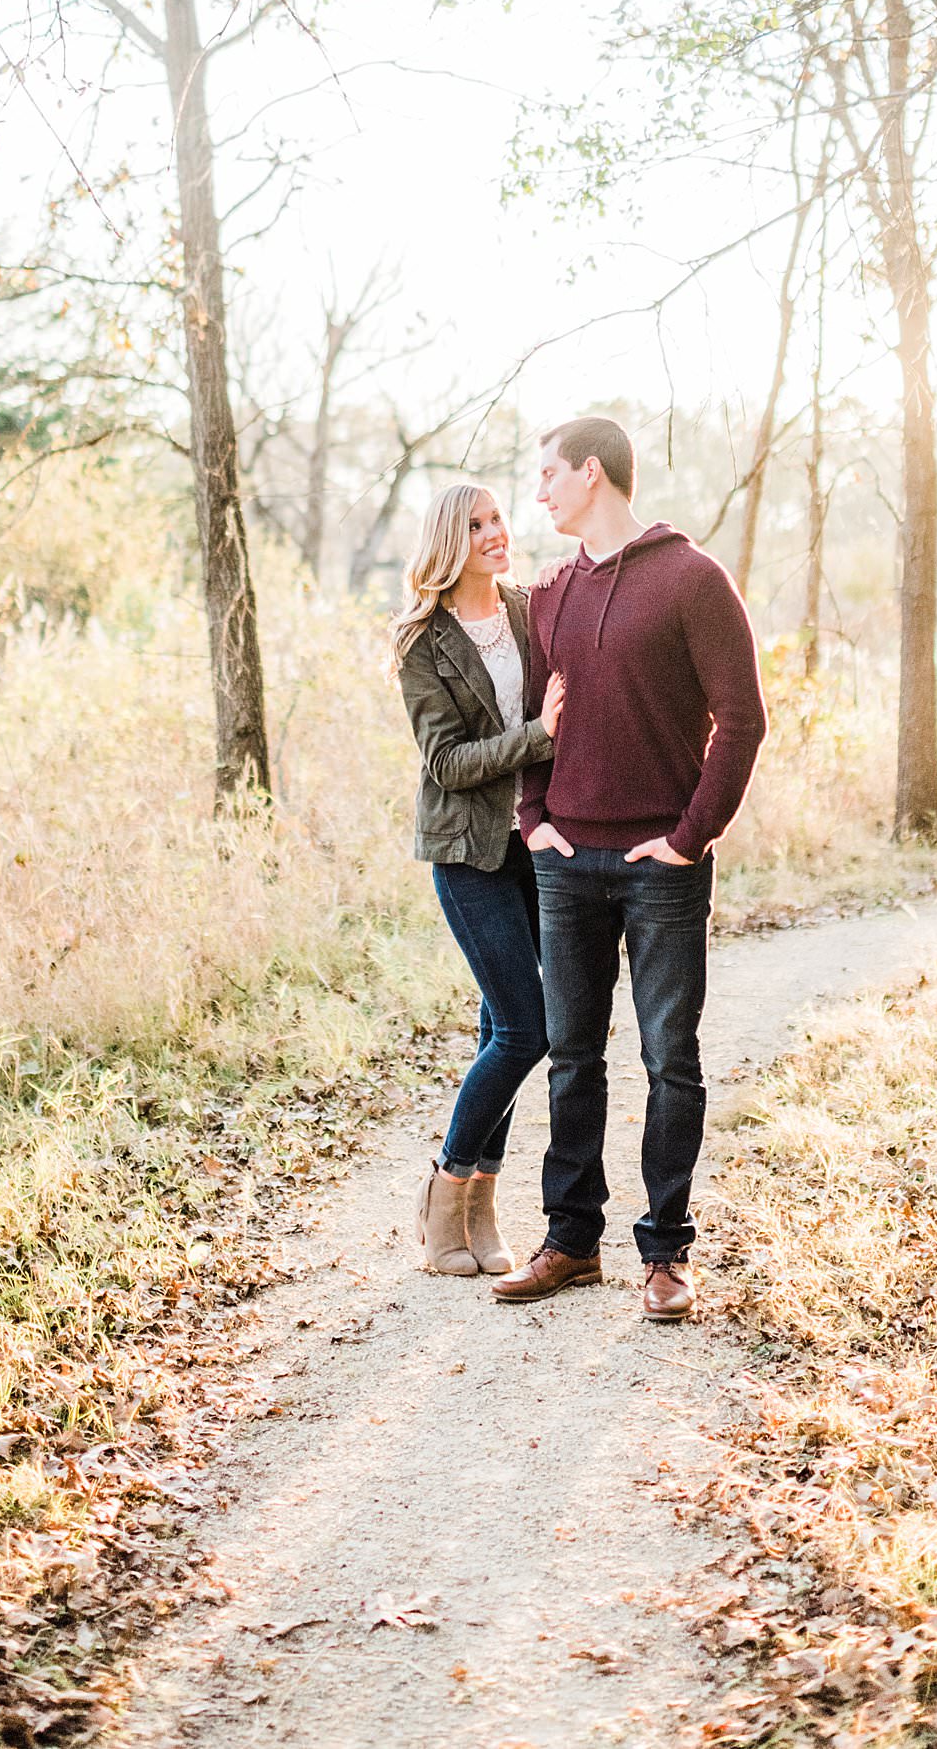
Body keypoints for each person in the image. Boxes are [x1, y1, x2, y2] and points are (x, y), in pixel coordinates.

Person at [495, 415, 767, 1322]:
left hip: (663, 863)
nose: (538, 494)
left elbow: (743, 720)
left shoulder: (692, 580)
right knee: (572, 1057)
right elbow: (542, 719)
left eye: (548, 476)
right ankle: (570, 1241)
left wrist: (691, 833)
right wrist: (533, 819)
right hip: (567, 863)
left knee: (668, 1059)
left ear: (595, 473)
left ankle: (665, 1254)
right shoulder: (549, 593)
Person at [394, 481, 565, 1279]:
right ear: (448, 539)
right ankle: (446, 1183)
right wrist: (537, 736)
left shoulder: (534, 611)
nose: (498, 532)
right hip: (467, 853)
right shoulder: (424, 643)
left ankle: (481, 1208)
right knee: (525, 1030)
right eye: (477, 524)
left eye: (498, 518)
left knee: (497, 1027)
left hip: (536, 844)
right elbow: (448, 763)